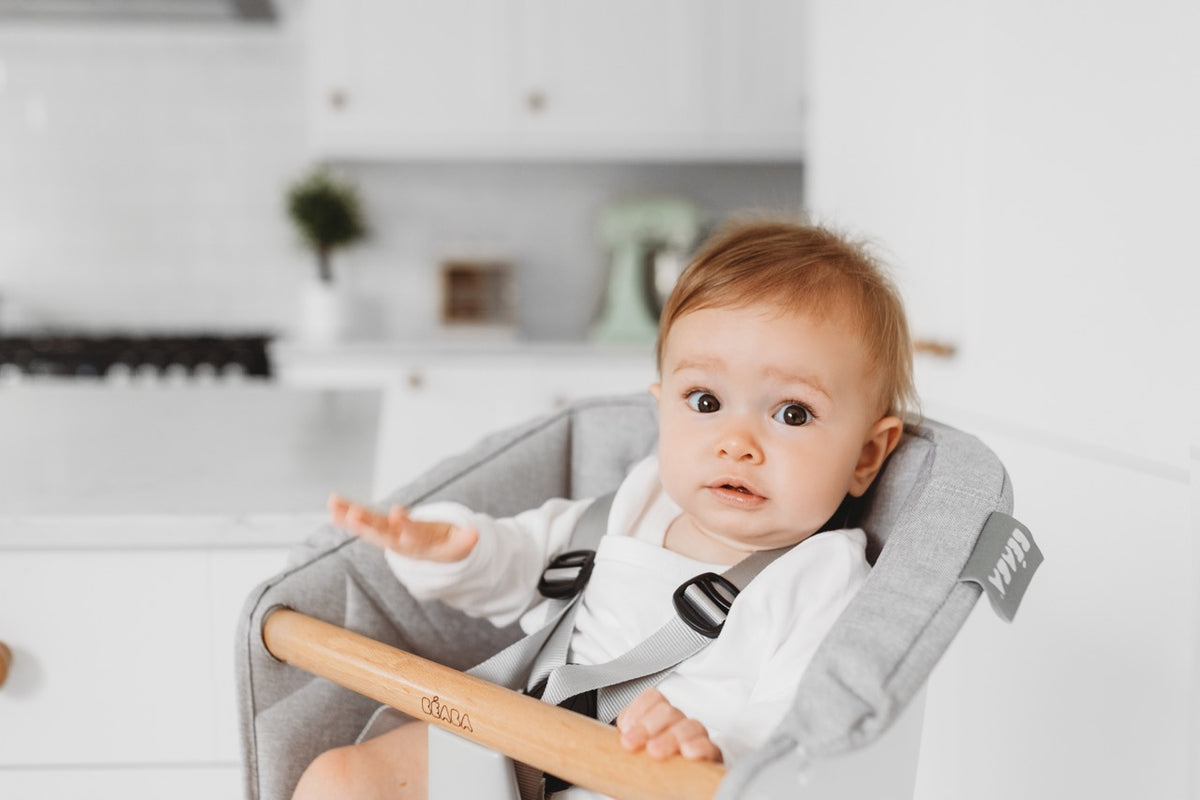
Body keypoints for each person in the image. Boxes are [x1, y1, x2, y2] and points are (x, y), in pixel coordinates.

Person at [292, 218, 917, 800]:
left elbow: (801, 733)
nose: (737, 443)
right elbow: (519, 565)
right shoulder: (636, 501)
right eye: (704, 401)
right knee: (339, 778)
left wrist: (718, 749)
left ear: (866, 455)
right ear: (661, 406)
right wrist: (454, 549)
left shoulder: (823, 579)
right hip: (518, 745)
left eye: (792, 413)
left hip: (648, 780)